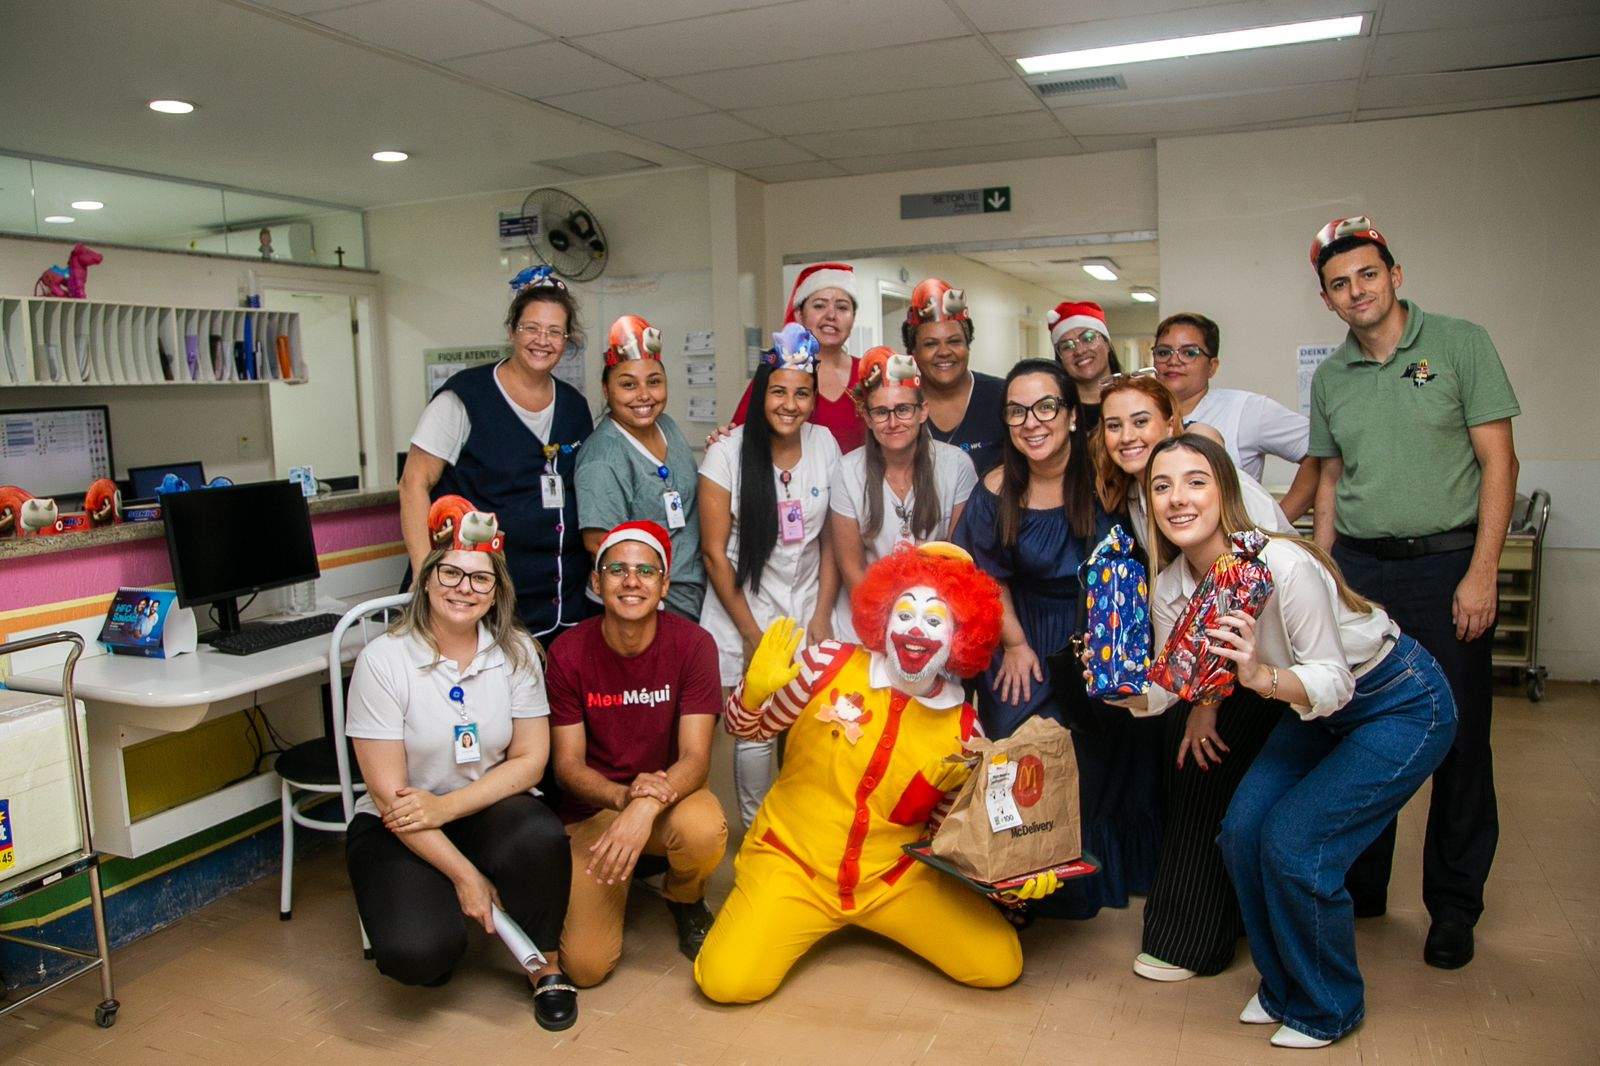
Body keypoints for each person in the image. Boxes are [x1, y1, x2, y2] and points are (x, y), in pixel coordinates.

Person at [1117, 433, 1455, 1047]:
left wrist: (1254, 677)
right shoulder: (1172, 587)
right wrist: (1125, 692)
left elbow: (1332, 680)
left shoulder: (1282, 563)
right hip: (1310, 713)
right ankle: (1281, 988)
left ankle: (1329, 1007)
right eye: (1161, 486)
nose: (1177, 499)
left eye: (1196, 481)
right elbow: (1172, 685)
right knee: (1242, 834)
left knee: (1296, 844)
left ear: (1226, 492)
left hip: (1394, 700)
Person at [694, 543, 1064, 1004]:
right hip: (793, 864)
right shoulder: (826, 664)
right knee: (727, 982)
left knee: (1000, 965)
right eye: (904, 613)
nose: (916, 629)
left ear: (959, 637)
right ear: (883, 617)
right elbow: (744, 728)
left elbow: (952, 835)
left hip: (893, 880)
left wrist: (1012, 884)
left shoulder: (965, 728)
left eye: (935, 621)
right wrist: (753, 694)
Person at [1307, 215, 1520, 970]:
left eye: (1367, 274)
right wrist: (1326, 581)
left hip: (1447, 567)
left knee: (1459, 740)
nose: (1356, 290)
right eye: (1339, 283)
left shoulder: (1459, 344)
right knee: (1361, 727)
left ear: (1395, 275)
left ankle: (1454, 907)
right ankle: (1364, 885)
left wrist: (1483, 571)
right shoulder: (1331, 378)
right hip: (1363, 572)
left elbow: (1500, 462)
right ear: (1328, 300)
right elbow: (1330, 481)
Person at [1091, 373, 1293, 982]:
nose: (1128, 435)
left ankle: (1193, 939)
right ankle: (1208, 927)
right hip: (1200, 658)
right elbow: (1176, 602)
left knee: (1208, 774)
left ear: (1172, 424)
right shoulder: (1130, 495)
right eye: (1114, 424)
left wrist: (1205, 702)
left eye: (1141, 421)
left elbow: (1251, 586)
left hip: (1265, 660)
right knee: (1203, 785)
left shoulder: (1215, 479)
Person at [344, 506, 576, 1031]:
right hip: (399, 825)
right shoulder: (384, 661)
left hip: (481, 804)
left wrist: (447, 807)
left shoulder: (515, 652)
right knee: (420, 957)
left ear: (496, 591)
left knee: (541, 836)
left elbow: (531, 762)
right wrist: (466, 876)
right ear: (426, 580)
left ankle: (546, 966)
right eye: (450, 572)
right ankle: (445, 909)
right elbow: (391, 801)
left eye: (480, 578)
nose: (463, 588)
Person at [954, 358, 1160, 918]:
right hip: (1024, 630)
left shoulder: (1108, 480)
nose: (1032, 421)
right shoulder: (995, 487)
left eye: (1046, 406)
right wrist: (1016, 643)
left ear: (1071, 416)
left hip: (1103, 634)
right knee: (1017, 753)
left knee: (1098, 760)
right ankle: (1018, 882)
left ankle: (1091, 881)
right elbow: (986, 574)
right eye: (1017, 410)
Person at [546, 521, 729, 988]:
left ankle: (684, 897)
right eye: (617, 569)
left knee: (704, 829)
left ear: (664, 584)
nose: (631, 581)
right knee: (586, 969)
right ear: (596, 581)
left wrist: (646, 805)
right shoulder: (567, 653)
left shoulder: (693, 646)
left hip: (668, 801)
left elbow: (695, 757)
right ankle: (621, 879)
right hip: (595, 812)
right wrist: (624, 801)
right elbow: (566, 766)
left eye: (646, 570)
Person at [399, 268, 593, 639]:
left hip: (559, 605)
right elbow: (412, 484)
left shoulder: (574, 406)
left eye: (555, 332)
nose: (543, 340)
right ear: (511, 331)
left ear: (567, 340)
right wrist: (427, 577)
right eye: (531, 328)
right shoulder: (464, 397)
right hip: (474, 603)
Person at [699, 326, 842, 827]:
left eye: (801, 393)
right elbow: (716, 555)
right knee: (755, 729)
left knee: (808, 724)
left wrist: (823, 614)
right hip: (743, 612)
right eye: (778, 391)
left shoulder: (825, 445)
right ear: (762, 393)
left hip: (805, 605)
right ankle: (758, 833)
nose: (790, 404)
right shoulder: (727, 452)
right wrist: (752, 633)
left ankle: (801, 830)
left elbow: (829, 541)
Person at [828, 346, 978, 642]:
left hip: (931, 624)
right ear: (868, 419)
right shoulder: (847, 470)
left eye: (903, 409)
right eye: (881, 412)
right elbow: (851, 567)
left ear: (923, 411)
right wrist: (886, 626)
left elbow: (959, 560)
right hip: (865, 624)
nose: (893, 422)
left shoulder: (956, 466)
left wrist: (917, 627)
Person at [575, 314, 705, 618]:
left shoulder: (667, 426)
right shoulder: (602, 458)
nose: (644, 395)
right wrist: (648, 606)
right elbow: (603, 549)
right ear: (607, 391)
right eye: (628, 385)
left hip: (691, 593)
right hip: (647, 607)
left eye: (654, 382)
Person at [1151, 311, 1318, 521]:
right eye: (1163, 352)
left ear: (1212, 367)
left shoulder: (1246, 409)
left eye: (1189, 352)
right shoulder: (1144, 418)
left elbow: (1319, 451)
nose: (1173, 361)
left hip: (1231, 548)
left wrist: (1275, 523)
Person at [726, 262, 865, 452]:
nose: (831, 315)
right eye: (819, 306)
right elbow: (739, 436)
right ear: (799, 314)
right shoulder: (777, 370)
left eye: (842, 308)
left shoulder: (868, 373)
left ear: (853, 317)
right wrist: (722, 439)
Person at [901, 277, 1006, 475]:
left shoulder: (1003, 396)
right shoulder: (901, 404)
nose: (944, 352)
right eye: (931, 344)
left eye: (954, 341)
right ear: (913, 351)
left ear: (968, 345)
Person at [1046, 300, 1123, 433]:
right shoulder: (1056, 412)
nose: (1079, 351)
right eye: (1067, 346)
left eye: (1088, 338)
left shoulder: (1136, 397)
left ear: (1107, 343)